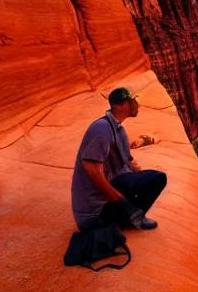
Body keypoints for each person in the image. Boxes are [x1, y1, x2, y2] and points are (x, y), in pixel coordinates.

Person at [71, 87, 167, 232]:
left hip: (107, 196)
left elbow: (127, 160)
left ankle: (130, 216)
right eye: (132, 101)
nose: (136, 104)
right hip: (95, 216)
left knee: (148, 179)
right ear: (122, 105)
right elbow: (91, 168)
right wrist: (121, 202)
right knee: (158, 178)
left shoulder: (115, 127)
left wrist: (137, 174)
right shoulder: (102, 130)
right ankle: (131, 217)